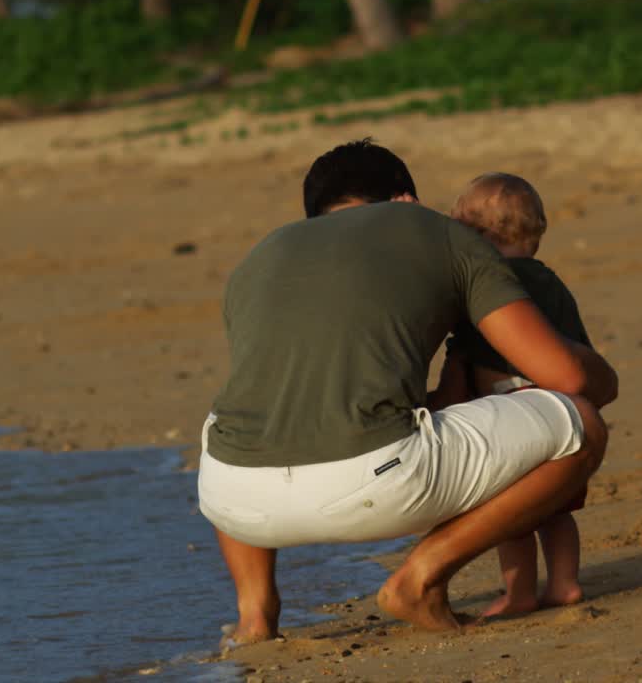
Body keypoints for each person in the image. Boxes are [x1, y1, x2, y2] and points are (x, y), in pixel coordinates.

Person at [195, 140, 618, 643]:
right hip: (374, 486)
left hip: (234, 502)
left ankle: (254, 615)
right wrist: (603, 377)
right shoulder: (433, 230)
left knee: (237, 418)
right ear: (406, 200)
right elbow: (565, 376)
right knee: (581, 424)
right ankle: (420, 578)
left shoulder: (261, 254)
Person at [431, 173, 595, 619]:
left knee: (513, 516)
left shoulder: (487, 284)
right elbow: (578, 348)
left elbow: (464, 352)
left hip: (510, 415)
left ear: (476, 236)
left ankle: (520, 592)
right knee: (557, 511)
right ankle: (564, 583)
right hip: (563, 412)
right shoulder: (553, 283)